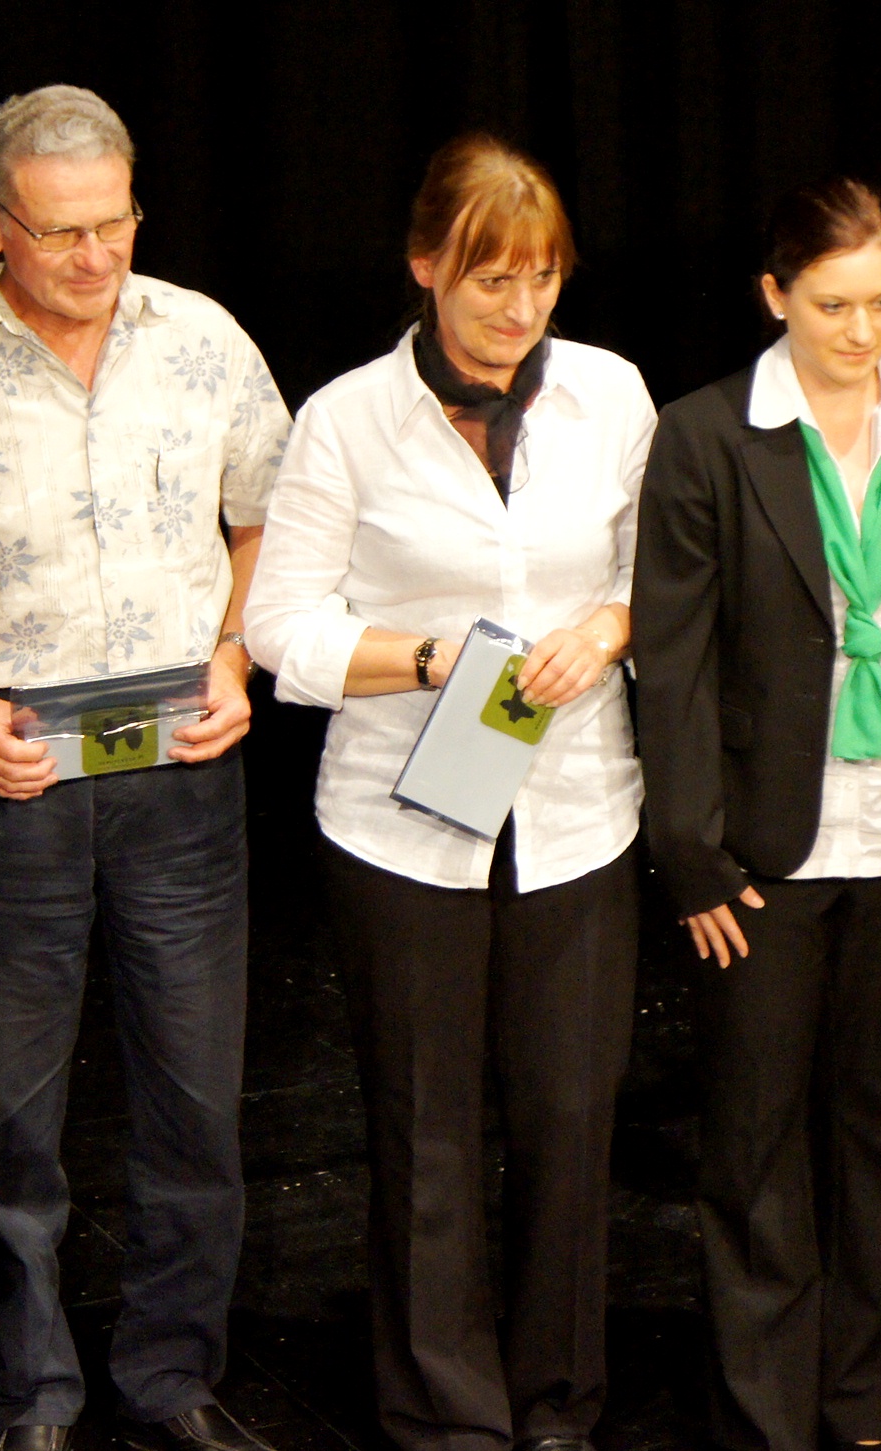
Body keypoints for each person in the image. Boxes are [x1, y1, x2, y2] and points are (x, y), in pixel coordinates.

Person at [0, 86, 291, 1451]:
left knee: (195, 1098)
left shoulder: (203, 338)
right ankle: (31, 1395)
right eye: (59, 232)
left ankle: (172, 1375)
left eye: (115, 223)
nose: (95, 255)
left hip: (182, 769)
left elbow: (272, 520)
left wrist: (236, 658)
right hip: (9, 776)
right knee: (10, 1115)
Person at [245, 133, 654, 1451]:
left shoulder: (610, 393)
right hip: (402, 825)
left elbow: (659, 570)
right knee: (425, 1133)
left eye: (543, 278)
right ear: (425, 267)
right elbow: (278, 627)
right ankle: (445, 1416)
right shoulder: (346, 418)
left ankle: (557, 1403)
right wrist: (429, 660)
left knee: (569, 1122)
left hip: (578, 814)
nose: (521, 308)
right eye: (491, 280)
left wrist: (608, 627)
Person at [633, 178, 881, 1451]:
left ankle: (866, 1404)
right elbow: (674, 660)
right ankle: (767, 1412)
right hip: (762, 854)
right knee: (754, 1140)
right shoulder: (707, 436)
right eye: (833, 305)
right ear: (775, 296)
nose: (862, 331)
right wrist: (691, 852)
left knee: (880, 1131)